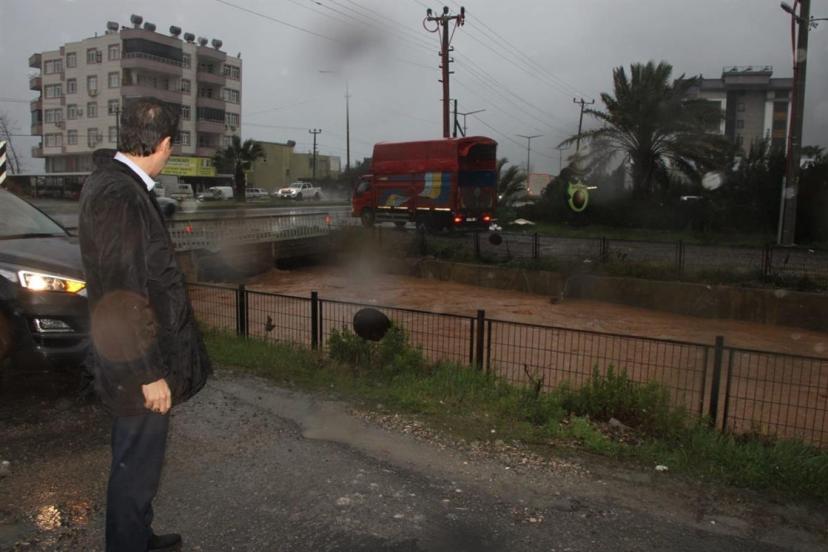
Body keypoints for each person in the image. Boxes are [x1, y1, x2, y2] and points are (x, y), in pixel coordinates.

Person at [78, 98, 211, 552]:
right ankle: (128, 544)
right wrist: (148, 372)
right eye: (172, 146)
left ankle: (137, 536)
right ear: (165, 144)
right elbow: (121, 288)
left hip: (133, 356)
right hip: (136, 364)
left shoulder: (115, 184)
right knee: (136, 463)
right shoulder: (121, 194)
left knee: (140, 460)